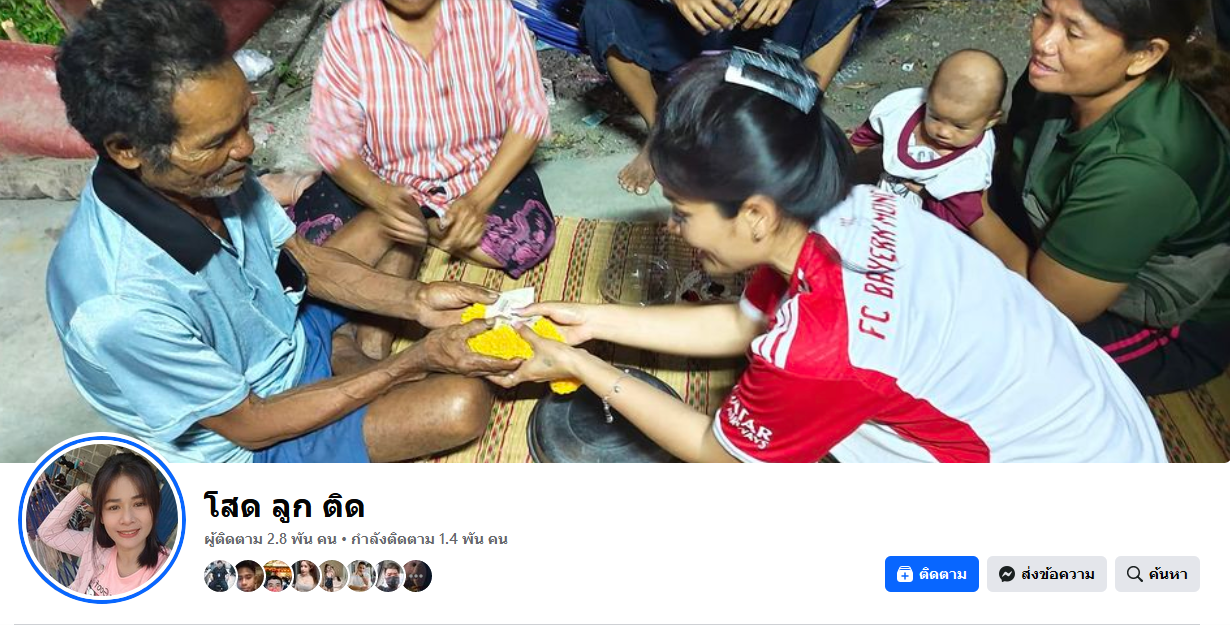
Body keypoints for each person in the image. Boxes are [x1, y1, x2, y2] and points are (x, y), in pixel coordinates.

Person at [496, 51, 1167, 463]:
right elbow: (744, 322)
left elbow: (719, 455)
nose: (673, 228)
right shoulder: (856, 204)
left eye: (682, 210)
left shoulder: (818, 349)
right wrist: (593, 321)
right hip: (1093, 419)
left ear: (755, 214)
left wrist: (582, 367)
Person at [47, 0, 522, 465]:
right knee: (461, 405)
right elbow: (250, 424)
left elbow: (301, 261)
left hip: (285, 325)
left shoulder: (200, 170)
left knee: (398, 219)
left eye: (244, 119)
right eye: (218, 140)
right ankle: (355, 353)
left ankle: (353, 349)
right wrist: (413, 361)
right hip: (256, 429)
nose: (246, 146)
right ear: (126, 150)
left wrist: (417, 300)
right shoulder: (119, 307)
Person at [978, 0, 1230, 394]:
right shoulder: (1062, 78)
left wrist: (969, 205)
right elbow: (1012, 152)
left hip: (1164, 329)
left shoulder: (1139, 172)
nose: (1043, 42)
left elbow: (1051, 303)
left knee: (990, 349)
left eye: (1074, 32)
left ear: (1145, 55)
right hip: (1065, 237)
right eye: (1045, 14)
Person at [308, 0, 557, 358]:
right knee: (311, 245)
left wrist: (478, 200)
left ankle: (423, 229)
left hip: (478, 173)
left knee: (527, 240)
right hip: (384, 176)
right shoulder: (350, 29)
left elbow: (528, 117)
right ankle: (421, 230)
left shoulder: (490, 12)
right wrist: (378, 195)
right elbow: (332, 140)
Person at [581, 0, 878, 196]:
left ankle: (793, 122)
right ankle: (662, 128)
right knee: (604, 7)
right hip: (679, 28)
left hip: (768, 26)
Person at [850, 49, 1015, 262]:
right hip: (881, 207)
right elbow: (867, 135)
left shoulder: (967, 170)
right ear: (928, 96)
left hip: (924, 235)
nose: (943, 132)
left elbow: (961, 222)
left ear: (990, 120)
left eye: (960, 126)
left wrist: (929, 196)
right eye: (935, 116)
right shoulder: (903, 109)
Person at [37, 452, 171, 595]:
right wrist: (81, 490)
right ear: (101, 516)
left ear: (154, 508)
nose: (127, 519)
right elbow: (48, 534)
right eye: (114, 507)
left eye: (139, 504)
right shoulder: (95, 546)